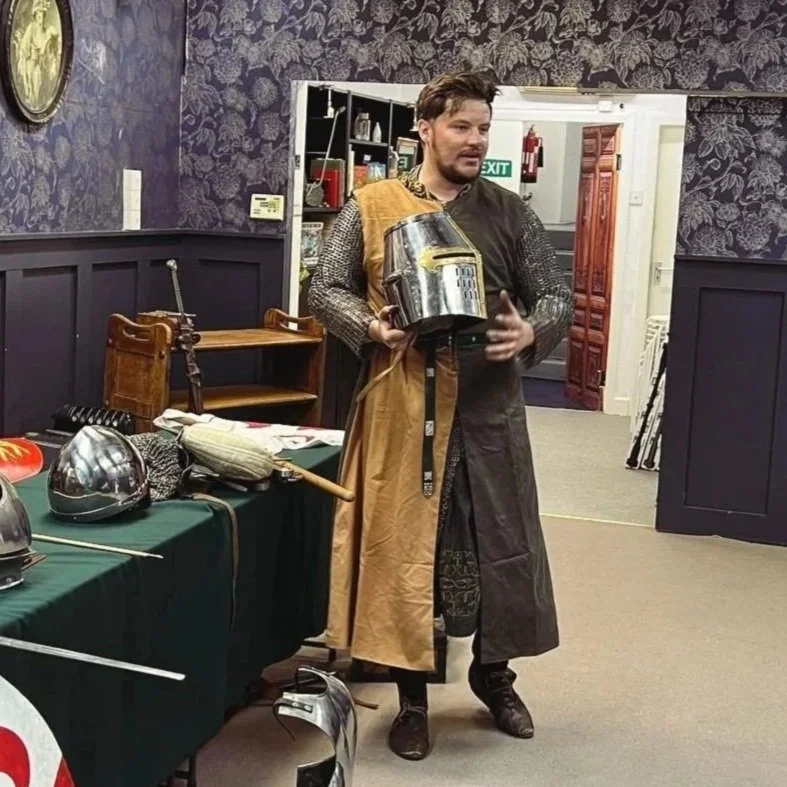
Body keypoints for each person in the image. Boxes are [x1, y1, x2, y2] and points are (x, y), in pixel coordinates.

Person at [308, 71, 572, 761]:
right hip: (405, 405)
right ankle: (412, 699)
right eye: (462, 126)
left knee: (496, 549)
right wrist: (369, 327)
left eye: (483, 128)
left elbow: (552, 294)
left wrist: (532, 334)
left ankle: (494, 676)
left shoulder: (509, 212)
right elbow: (324, 286)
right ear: (424, 126)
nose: (475, 140)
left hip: (488, 406)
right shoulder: (370, 205)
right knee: (407, 555)